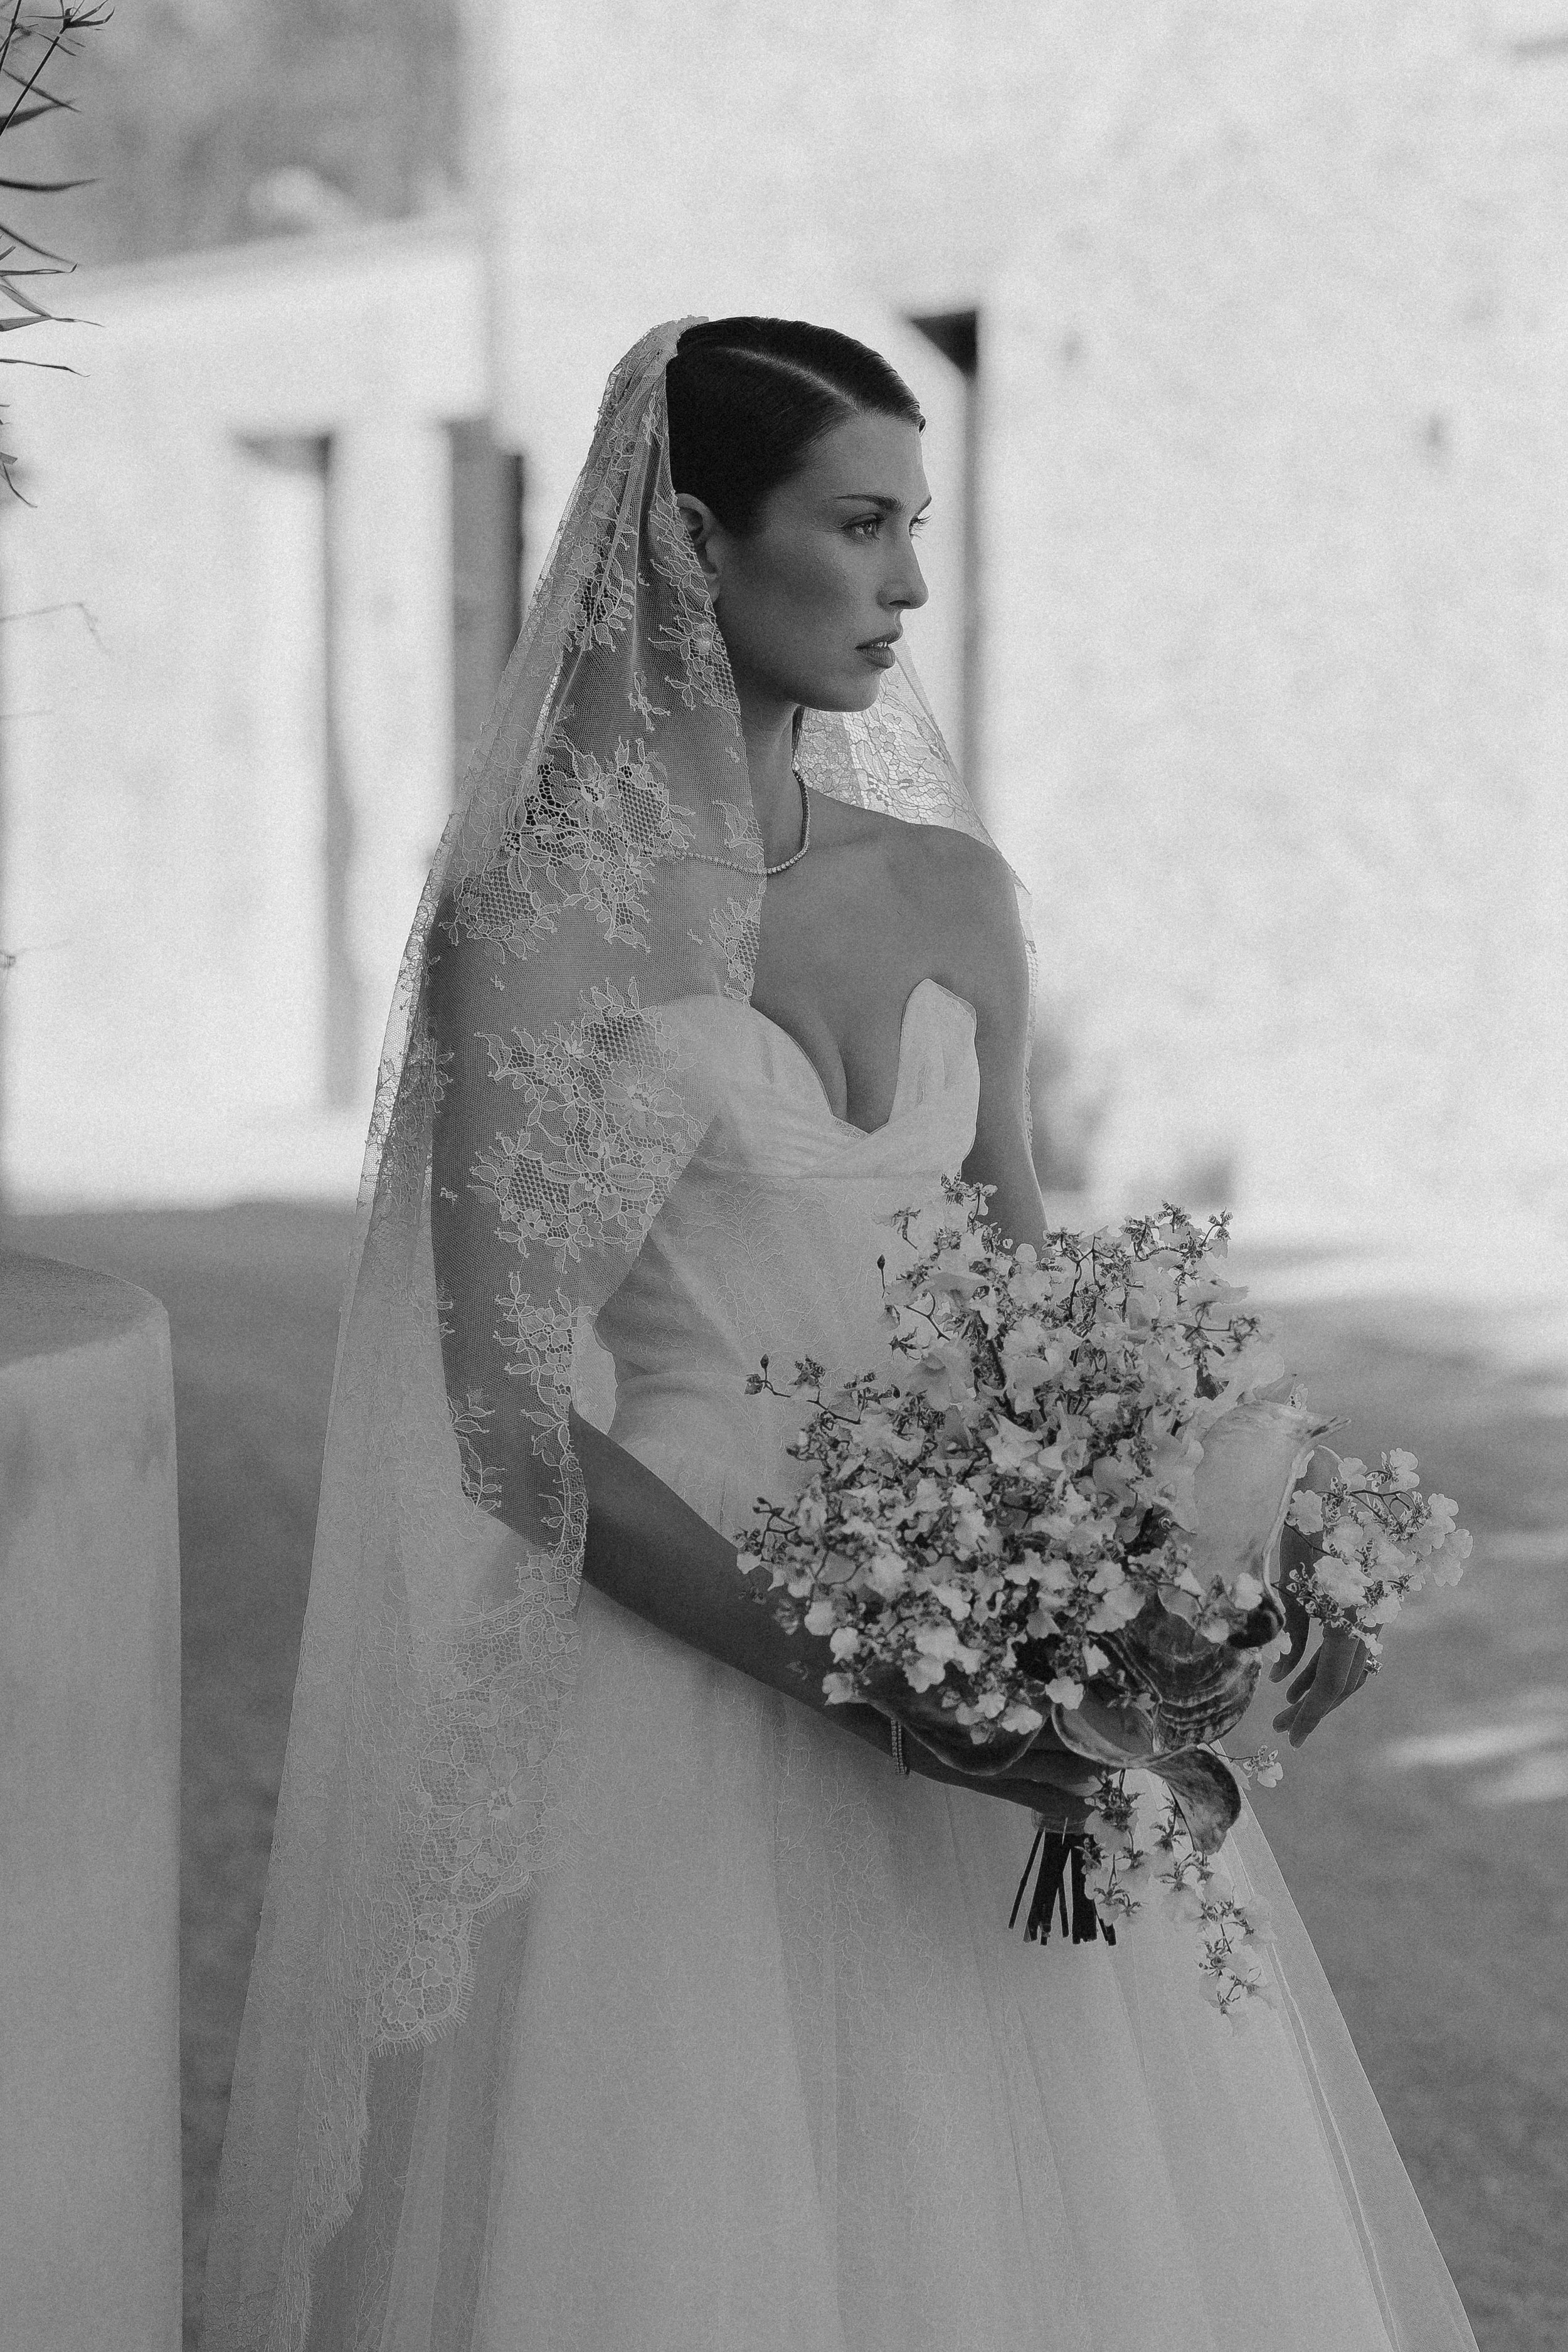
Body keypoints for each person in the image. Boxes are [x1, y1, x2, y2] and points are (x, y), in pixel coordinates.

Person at [203, 318, 1480, 2352]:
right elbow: (502, 1418)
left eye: (919, 529)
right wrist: (853, 1674)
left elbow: (1031, 1295)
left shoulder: (955, 890)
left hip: (996, 1627)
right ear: (697, 539)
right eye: (857, 525)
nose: (902, 586)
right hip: (690, 1657)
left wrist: (1192, 1565)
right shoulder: (536, 923)